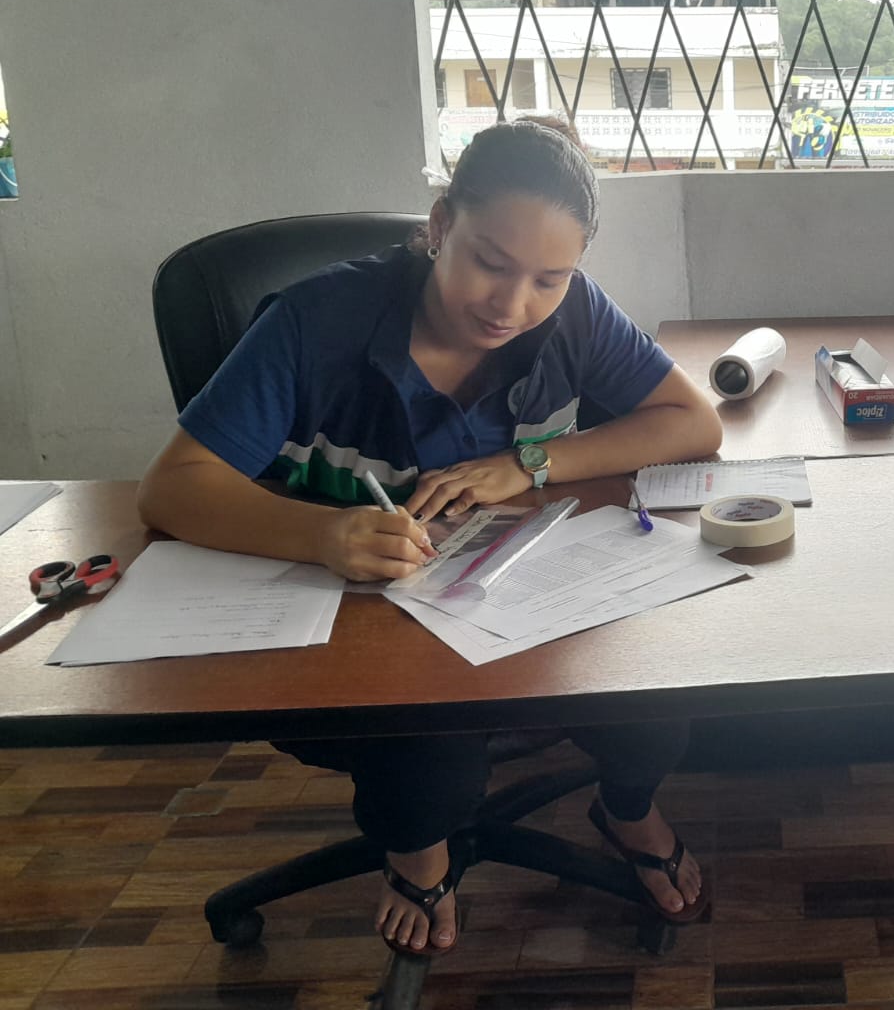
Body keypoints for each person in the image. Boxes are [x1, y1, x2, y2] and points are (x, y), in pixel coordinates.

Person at [138, 116, 722, 955]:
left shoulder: (574, 314)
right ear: (441, 225)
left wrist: (530, 462)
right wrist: (323, 533)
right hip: (356, 614)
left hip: (517, 602)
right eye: (490, 263)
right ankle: (416, 856)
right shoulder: (314, 323)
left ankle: (626, 807)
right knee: (426, 762)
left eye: (549, 278)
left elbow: (692, 422)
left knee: (652, 696)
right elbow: (171, 487)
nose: (512, 306)